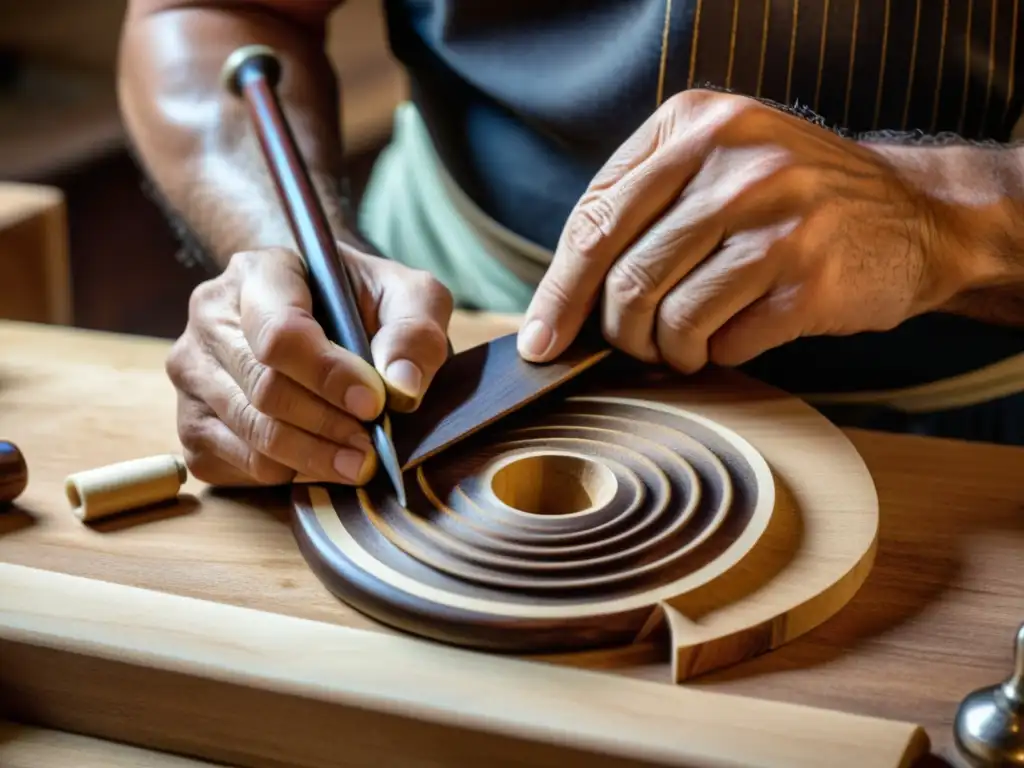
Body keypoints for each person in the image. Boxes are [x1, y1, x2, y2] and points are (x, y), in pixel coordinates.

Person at [118, 0, 1024, 488]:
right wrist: (298, 255)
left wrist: (944, 216)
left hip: (973, 415)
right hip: (446, 353)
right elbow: (209, 13)